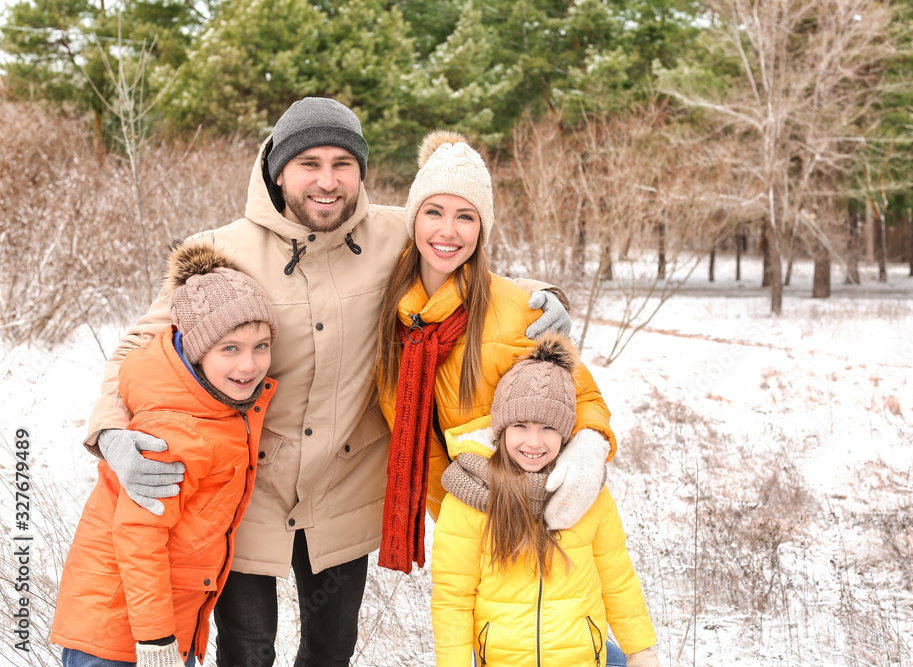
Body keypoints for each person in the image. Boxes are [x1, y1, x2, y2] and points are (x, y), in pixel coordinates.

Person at [83, 97, 573, 667]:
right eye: (309, 163)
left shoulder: (396, 236)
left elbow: (464, 263)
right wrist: (111, 433)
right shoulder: (224, 252)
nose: (327, 180)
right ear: (278, 171)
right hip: (250, 490)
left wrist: (546, 302)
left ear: (361, 171)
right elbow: (138, 347)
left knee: (331, 649)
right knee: (247, 649)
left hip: (346, 486)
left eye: (343, 163)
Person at [375, 130, 616, 574]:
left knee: (575, 640)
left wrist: (587, 448)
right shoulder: (392, 318)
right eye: (434, 212)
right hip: (463, 526)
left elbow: (581, 399)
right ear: (413, 219)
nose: (448, 231)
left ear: (482, 229)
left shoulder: (519, 312)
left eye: (465, 217)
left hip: (541, 523)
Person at [51, 240, 278, 667]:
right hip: (123, 636)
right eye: (230, 348)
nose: (249, 365)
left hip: (159, 626)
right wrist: (157, 641)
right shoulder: (176, 429)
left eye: (260, 347)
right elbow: (140, 537)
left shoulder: (216, 405)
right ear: (195, 351)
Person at [431, 333, 660, 666]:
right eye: (520, 425)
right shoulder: (468, 497)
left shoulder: (588, 494)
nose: (533, 442)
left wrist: (641, 650)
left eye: (548, 428)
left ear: (565, 433)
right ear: (501, 429)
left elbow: (617, 577)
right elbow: (453, 598)